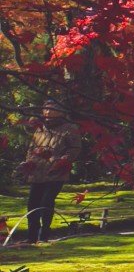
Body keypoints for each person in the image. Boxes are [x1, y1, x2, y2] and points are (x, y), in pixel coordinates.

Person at [18, 101, 82, 244]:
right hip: (37, 173)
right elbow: (31, 148)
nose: (47, 113)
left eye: (51, 110)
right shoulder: (40, 129)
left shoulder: (69, 128)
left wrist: (62, 161)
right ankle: (31, 237)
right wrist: (28, 162)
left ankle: (44, 235)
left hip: (56, 172)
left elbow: (75, 148)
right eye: (45, 110)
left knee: (46, 202)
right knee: (32, 204)